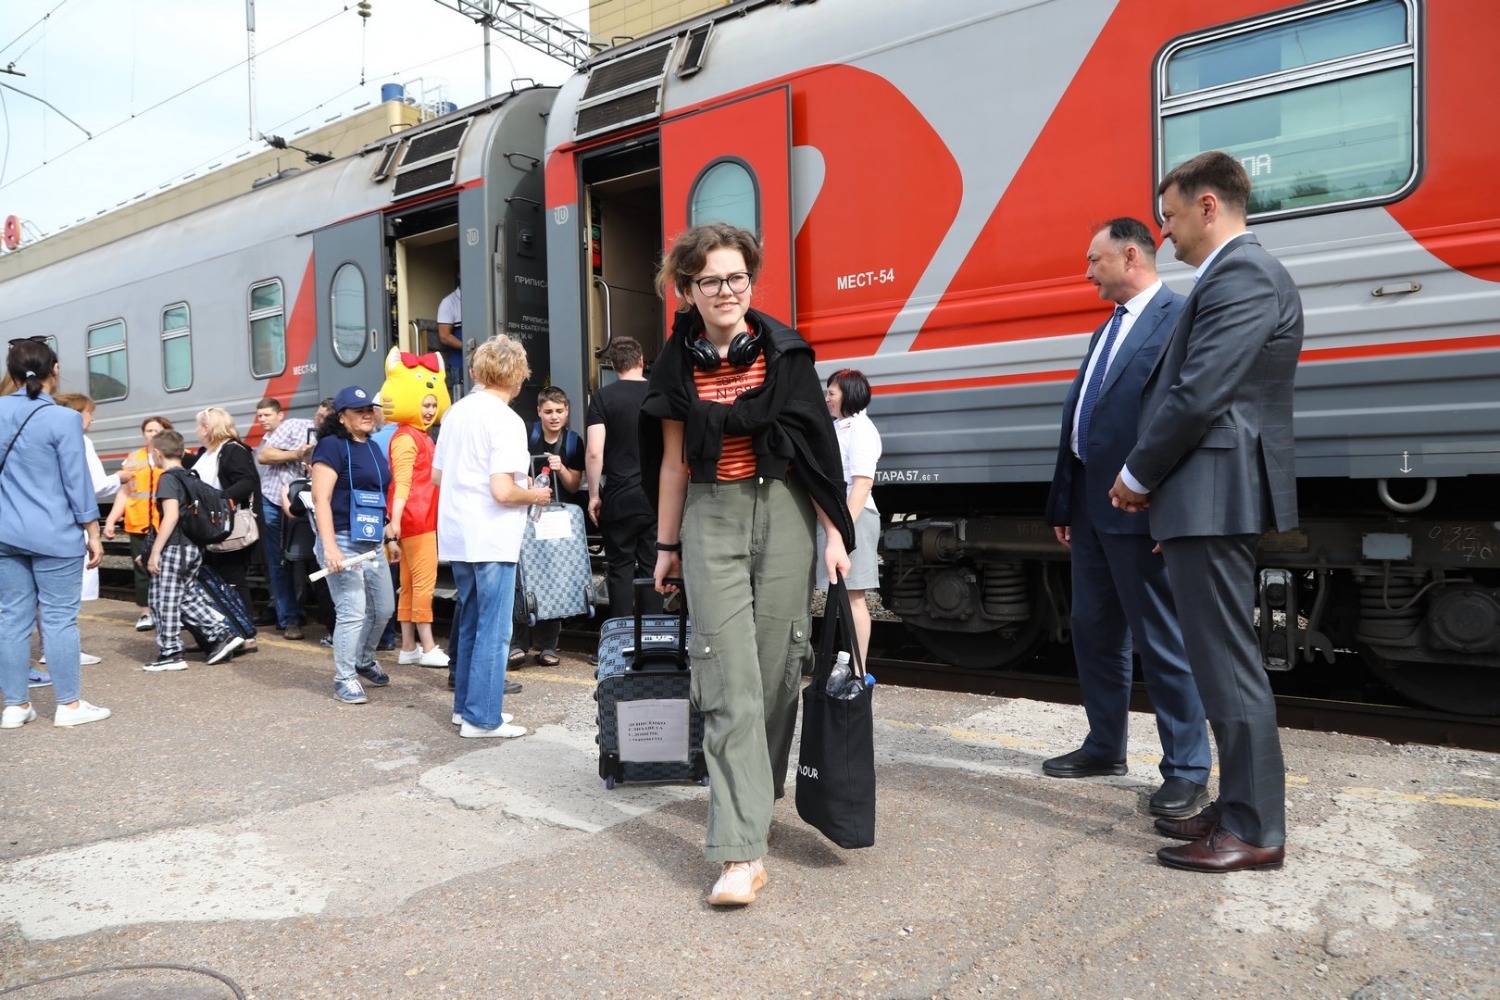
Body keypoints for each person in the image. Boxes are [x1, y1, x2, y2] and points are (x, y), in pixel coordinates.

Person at [641, 223, 853, 907]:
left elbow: (817, 451)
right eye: (710, 281)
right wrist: (666, 547)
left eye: (736, 277)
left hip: (785, 512)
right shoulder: (676, 366)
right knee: (726, 677)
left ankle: (753, 803)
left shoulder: (787, 355)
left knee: (778, 671)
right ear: (688, 290)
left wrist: (835, 534)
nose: (726, 291)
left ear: (751, 282)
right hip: (711, 515)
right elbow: (673, 464)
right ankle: (740, 853)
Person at [1109, 151, 1304, 873]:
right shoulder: (1234, 275)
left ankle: (1255, 830)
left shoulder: (1244, 274)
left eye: (1169, 215)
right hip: (1204, 497)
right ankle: (1240, 807)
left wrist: (1138, 474)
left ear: (1208, 206)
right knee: (1220, 662)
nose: (1164, 231)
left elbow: (1200, 391)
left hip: (1214, 493)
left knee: (1227, 665)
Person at [1042, 218, 1211, 819]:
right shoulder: (1108, 328)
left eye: (1095, 260)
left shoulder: (1179, 317)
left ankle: (1187, 769)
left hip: (1142, 508)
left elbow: (1191, 418)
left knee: (1161, 639)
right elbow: (1083, 420)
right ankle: (1105, 746)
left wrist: (1173, 509)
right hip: (1092, 510)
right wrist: (1066, 502)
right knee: (1095, 632)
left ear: (1131, 256)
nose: (1087, 271)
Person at [433, 335, 550, 739]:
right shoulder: (507, 420)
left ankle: (465, 708)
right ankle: (483, 719)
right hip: (492, 535)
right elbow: (503, 491)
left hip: (458, 533)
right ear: (518, 376)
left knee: (470, 620)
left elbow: (438, 476)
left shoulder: (456, 412)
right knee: (495, 630)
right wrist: (535, 494)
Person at [1, 337, 111, 729]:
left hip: (5, 533)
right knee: (59, 619)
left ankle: (15, 706)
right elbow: (76, 483)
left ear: (11, 372)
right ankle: (69, 706)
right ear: (56, 370)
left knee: (12, 619)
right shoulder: (64, 419)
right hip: (55, 534)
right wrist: (93, 531)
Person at [310, 385, 399, 705]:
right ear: (341, 417)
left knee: (384, 608)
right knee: (352, 609)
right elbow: (320, 498)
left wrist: (389, 535)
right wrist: (329, 547)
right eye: (358, 410)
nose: (367, 414)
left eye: (369, 409)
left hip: (371, 539)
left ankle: (362, 659)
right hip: (342, 539)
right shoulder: (331, 446)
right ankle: (344, 678)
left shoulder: (372, 446)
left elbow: (376, 496)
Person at [142, 429, 245, 671]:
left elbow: (171, 517)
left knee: (164, 600)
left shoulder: (168, 479)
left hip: (174, 548)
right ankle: (221, 635)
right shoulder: (191, 476)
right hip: (193, 549)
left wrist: (155, 551)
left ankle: (170, 653)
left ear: (157, 453)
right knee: (186, 597)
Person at [377, 348, 452, 667]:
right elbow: (402, 483)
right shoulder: (410, 438)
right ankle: (429, 646)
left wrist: (396, 523)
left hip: (413, 518)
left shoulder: (412, 436)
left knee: (408, 583)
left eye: (433, 405)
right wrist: (393, 524)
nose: (429, 411)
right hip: (418, 519)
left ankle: (408, 646)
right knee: (423, 583)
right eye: (425, 404)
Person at [510, 385, 585, 667]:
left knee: (553, 577)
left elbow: (574, 485)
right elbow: (513, 472)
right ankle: (518, 643)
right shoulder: (526, 435)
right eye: (549, 411)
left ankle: (547, 646)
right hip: (526, 515)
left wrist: (561, 467)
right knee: (522, 579)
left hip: (556, 521)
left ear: (567, 412)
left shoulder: (573, 442)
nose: (554, 417)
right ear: (539, 412)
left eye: (559, 411)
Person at [585, 336, 660, 619]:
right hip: (656, 497)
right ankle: (653, 636)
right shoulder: (658, 395)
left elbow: (594, 452)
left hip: (618, 497)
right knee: (653, 568)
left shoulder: (602, 398)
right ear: (641, 361)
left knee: (620, 570)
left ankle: (622, 636)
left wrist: (594, 495)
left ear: (614, 365)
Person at [815, 369, 883, 668]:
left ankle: (858, 671)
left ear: (849, 395)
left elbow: (862, 483)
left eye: (832, 393)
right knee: (843, 594)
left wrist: (844, 530)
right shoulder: (841, 427)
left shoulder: (861, 429)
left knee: (853, 595)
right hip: (840, 519)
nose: (827, 398)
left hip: (854, 518)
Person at [51, 392, 118, 669]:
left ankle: (47, 649)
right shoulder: (80, 440)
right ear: (77, 414)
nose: (92, 418)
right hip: (71, 524)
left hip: (45, 522)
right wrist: (120, 478)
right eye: (90, 413)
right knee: (66, 595)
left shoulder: (46, 436)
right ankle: (64, 652)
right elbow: (92, 486)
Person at [188, 406, 262, 639]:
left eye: (199, 425)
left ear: (208, 427)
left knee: (232, 578)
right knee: (215, 578)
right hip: (208, 525)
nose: (196, 430)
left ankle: (244, 632)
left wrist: (220, 500)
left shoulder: (233, 450)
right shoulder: (206, 453)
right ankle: (225, 631)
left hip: (227, 525)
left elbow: (246, 482)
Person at [102, 415, 174, 633]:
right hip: (139, 523)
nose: (152, 434)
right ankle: (145, 613)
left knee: (169, 568)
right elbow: (124, 493)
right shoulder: (132, 459)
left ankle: (171, 612)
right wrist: (111, 520)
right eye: (148, 431)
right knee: (142, 569)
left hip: (166, 523)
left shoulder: (176, 455)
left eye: (156, 430)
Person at [254, 397, 315, 640]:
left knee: (301, 558)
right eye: (260, 416)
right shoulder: (294, 426)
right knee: (280, 561)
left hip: (303, 501)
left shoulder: (329, 433)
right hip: (273, 498)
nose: (262, 420)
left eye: (266, 415)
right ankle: (289, 618)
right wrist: (296, 454)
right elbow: (264, 456)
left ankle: (300, 613)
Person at [436, 274, 465, 401]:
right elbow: (444, 336)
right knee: (461, 402)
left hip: (483, 363)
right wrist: (468, 347)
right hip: (459, 364)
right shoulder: (449, 302)